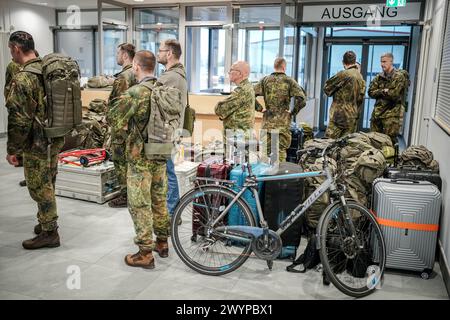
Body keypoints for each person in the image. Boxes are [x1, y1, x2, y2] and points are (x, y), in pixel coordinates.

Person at [5, 31, 65, 249]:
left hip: (37, 142)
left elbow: (19, 120)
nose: (10, 53)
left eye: (10, 49)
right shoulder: (47, 69)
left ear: (16, 49)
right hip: (54, 137)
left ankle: (50, 232)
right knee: (48, 180)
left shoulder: (23, 78)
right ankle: (45, 221)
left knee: (39, 186)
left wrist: (13, 149)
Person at [114, 50, 170, 269]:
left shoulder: (134, 93)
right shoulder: (164, 89)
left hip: (140, 157)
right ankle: (163, 242)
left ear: (136, 66)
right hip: (161, 150)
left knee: (139, 203)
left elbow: (115, 119)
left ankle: (145, 253)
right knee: (159, 199)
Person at [254, 57, 306, 162]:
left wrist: (260, 108)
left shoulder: (265, 80)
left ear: (274, 67)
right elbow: (302, 99)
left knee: (266, 152)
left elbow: (250, 95)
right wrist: (293, 111)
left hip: (267, 122)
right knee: (280, 152)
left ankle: (265, 176)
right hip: (283, 122)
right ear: (284, 67)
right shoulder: (289, 81)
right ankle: (279, 176)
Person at [156, 39, 187, 217]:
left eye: (160, 51)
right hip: (172, 131)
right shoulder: (178, 74)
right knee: (168, 171)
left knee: (167, 172)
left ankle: (172, 210)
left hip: (165, 133)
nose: (158, 54)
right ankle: (173, 209)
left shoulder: (170, 77)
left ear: (169, 54)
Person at [106, 43, 137, 208]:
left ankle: (125, 194)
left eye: (118, 53)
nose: (116, 56)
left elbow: (118, 104)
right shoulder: (136, 73)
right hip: (133, 125)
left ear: (125, 55)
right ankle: (128, 191)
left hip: (122, 126)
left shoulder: (124, 76)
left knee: (120, 160)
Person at [215, 61, 255, 155]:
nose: (229, 73)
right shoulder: (248, 86)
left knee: (234, 166)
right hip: (242, 136)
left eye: (231, 70)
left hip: (236, 138)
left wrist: (222, 114)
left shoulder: (241, 91)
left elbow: (219, 109)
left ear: (240, 74)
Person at [368, 53, 409, 144]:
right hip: (377, 114)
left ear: (391, 61)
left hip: (391, 116)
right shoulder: (379, 77)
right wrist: (383, 91)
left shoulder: (399, 76)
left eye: (384, 62)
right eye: (381, 62)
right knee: (373, 140)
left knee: (389, 142)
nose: (382, 64)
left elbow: (394, 94)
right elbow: (370, 92)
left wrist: (379, 92)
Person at [324, 51, 366, 139]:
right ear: (355, 62)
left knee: (328, 143)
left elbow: (327, 89)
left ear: (343, 62)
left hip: (339, 116)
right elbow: (360, 98)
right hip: (352, 116)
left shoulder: (343, 74)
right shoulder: (360, 77)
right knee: (345, 145)